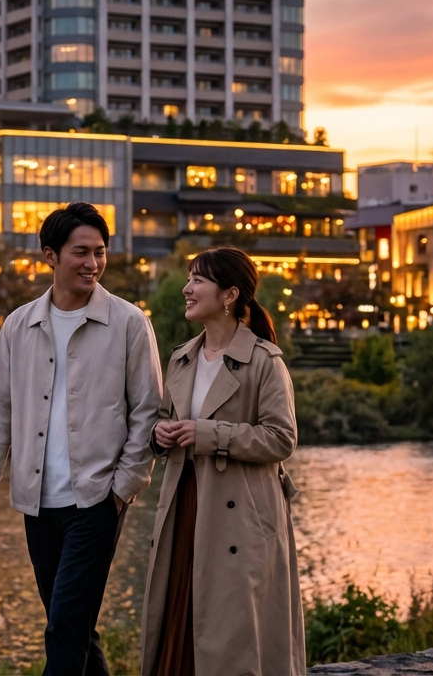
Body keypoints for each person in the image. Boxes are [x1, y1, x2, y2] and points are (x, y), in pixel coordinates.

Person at [0, 202, 161, 676]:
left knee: (64, 626)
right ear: (50, 256)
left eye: (100, 252)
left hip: (96, 499)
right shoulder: (18, 325)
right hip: (37, 501)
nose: (92, 263)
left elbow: (149, 411)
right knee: (70, 623)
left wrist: (123, 489)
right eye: (81, 252)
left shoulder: (129, 323)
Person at [139, 247, 305, 676]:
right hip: (187, 506)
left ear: (230, 294)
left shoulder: (265, 362)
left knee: (233, 629)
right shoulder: (181, 357)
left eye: (198, 280)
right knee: (180, 612)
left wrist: (208, 435)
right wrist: (161, 434)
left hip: (240, 516)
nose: (186, 288)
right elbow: (165, 421)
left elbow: (282, 439)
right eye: (190, 279)